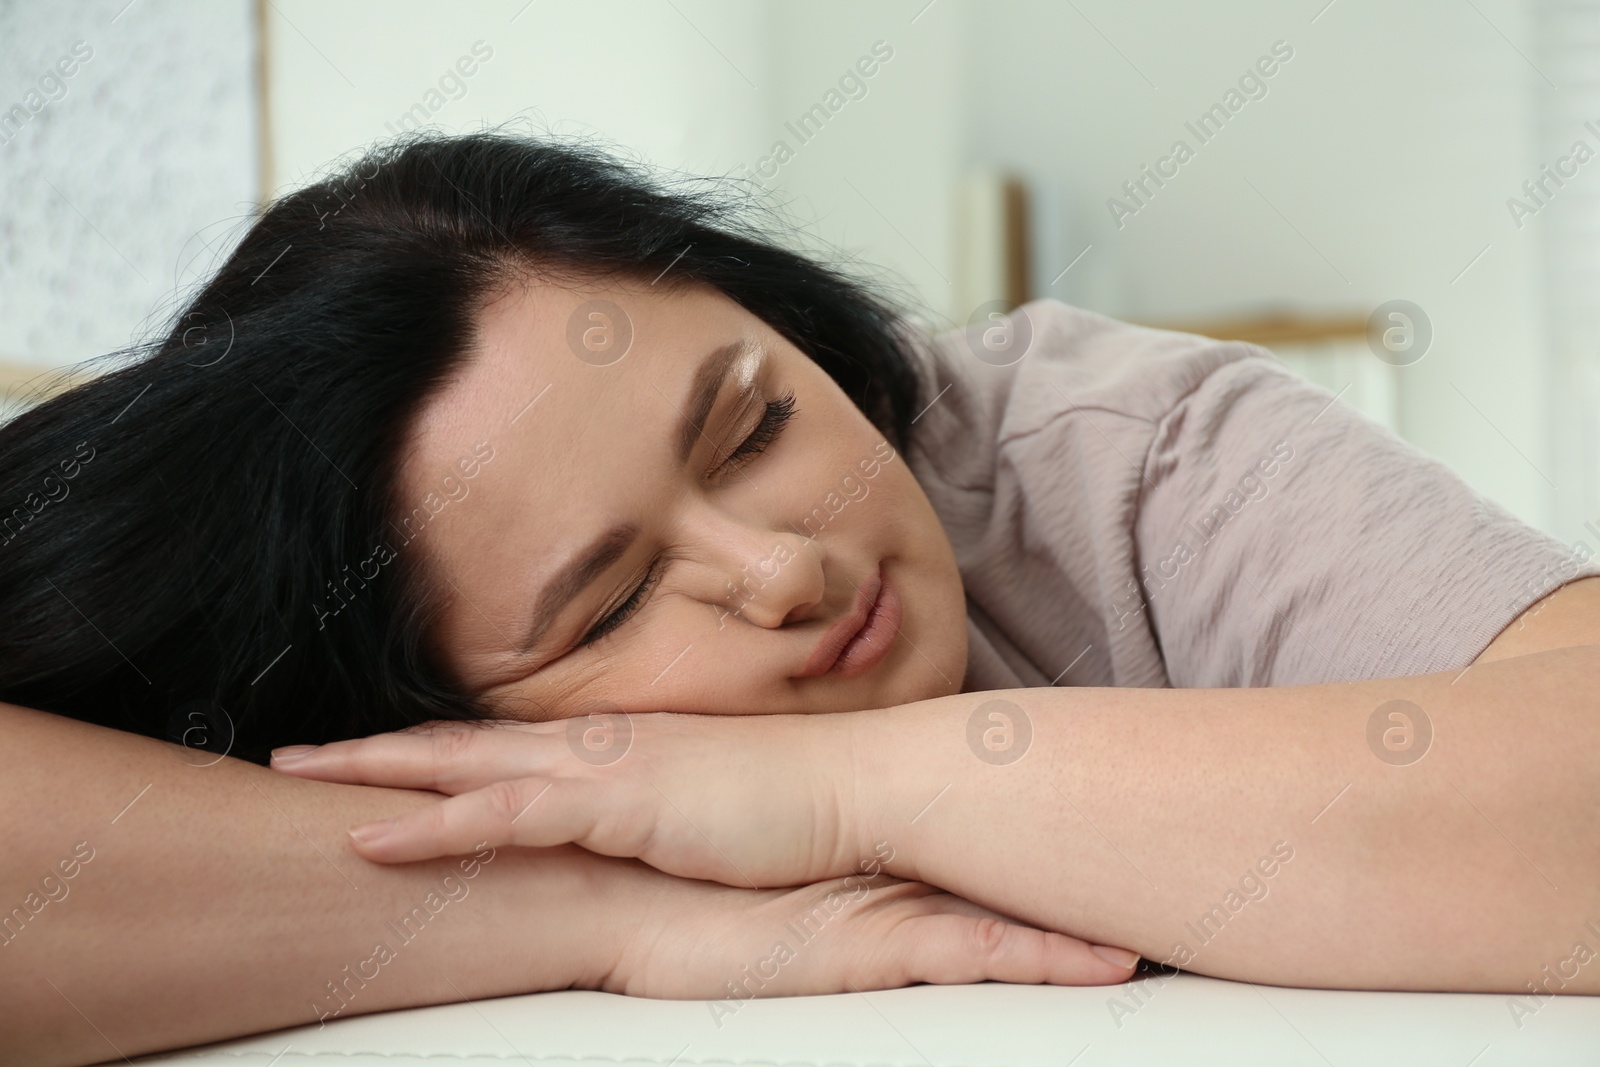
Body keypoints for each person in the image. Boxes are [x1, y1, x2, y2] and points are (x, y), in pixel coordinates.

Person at [3, 131, 1599, 1066]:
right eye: (613, 604)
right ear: (434, 721)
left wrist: (831, 787)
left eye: (756, 424)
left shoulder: (1098, 447)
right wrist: (586, 901)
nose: (787, 568)